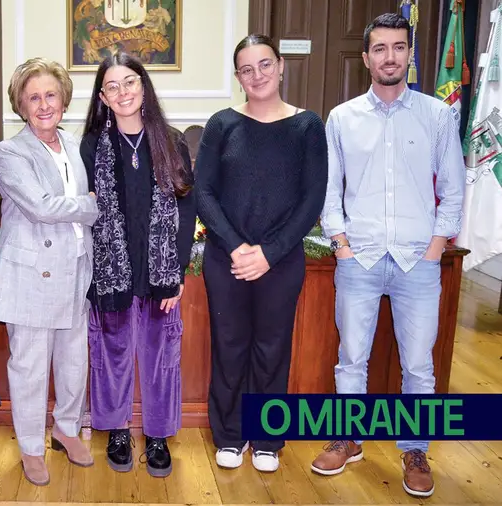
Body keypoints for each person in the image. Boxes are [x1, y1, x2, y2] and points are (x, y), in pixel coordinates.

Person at [312, 13, 465, 497]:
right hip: (359, 258)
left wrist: (436, 248)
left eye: (399, 47)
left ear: (410, 55)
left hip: (418, 260)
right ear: (366, 59)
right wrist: (341, 245)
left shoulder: (438, 115)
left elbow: (455, 190)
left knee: (419, 365)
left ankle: (415, 449)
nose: (390, 57)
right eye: (380, 48)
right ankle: (346, 437)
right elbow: (328, 189)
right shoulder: (342, 118)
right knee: (351, 357)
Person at [194, 34, 327, 473]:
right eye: (247, 69)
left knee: (272, 348)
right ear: (237, 77)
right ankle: (230, 435)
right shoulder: (221, 124)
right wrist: (237, 247)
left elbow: (312, 199)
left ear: (281, 66)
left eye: (265, 65)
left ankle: (267, 437)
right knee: (230, 346)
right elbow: (204, 192)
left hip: (281, 259)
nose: (257, 75)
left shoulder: (307, 126)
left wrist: (268, 253)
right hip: (225, 258)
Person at [79, 53, 195, 478]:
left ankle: (159, 435)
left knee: (161, 354)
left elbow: (187, 204)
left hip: (159, 272)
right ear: (103, 97)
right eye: (112, 86)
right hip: (111, 273)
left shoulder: (171, 139)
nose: (123, 92)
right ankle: (116, 430)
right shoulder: (91, 145)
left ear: (143, 87)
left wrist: (178, 271)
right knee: (111, 354)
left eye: (130, 82)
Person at [0, 57, 98, 486]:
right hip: (33, 275)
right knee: (30, 368)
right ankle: (31, 447)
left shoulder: (72, 144)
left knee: (73, 362)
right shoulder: (10, 151)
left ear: (64, 100)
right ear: (21, 104)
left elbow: (57, 205)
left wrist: (80, 210)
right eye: (33, 97)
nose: (44, 104)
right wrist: (90, 206)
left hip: (75, 269)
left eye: (51, 94)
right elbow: (41, 207)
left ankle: (67, 430)